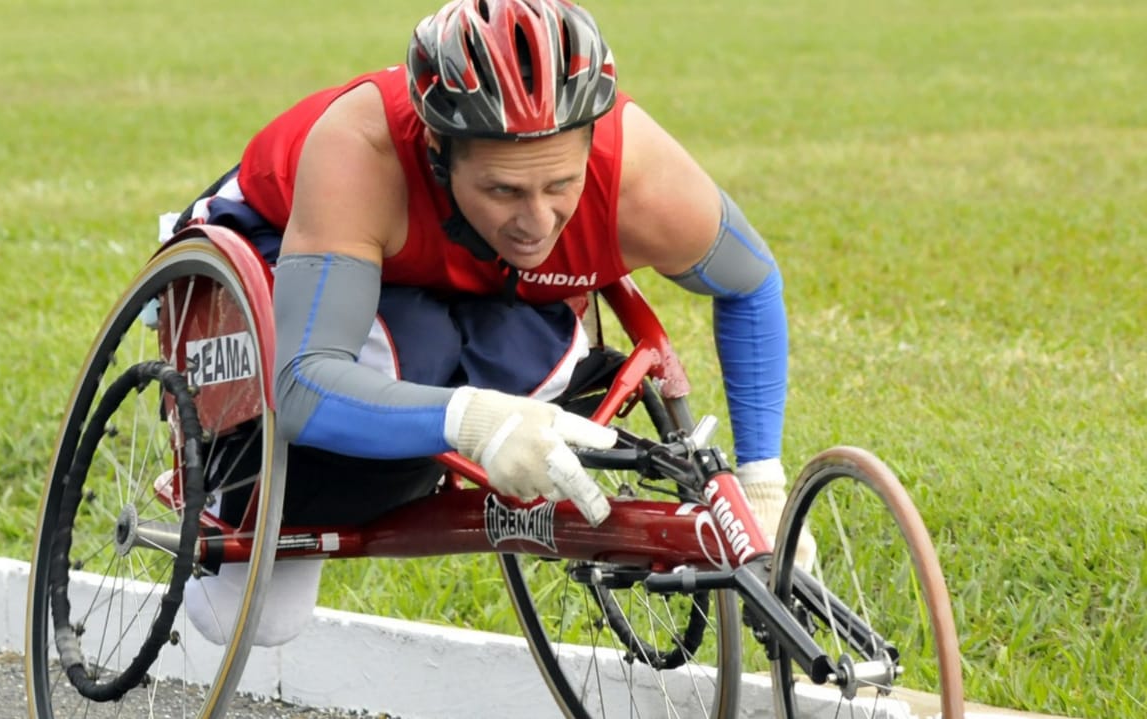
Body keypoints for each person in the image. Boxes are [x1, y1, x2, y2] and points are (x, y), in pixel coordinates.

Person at [176, 0, 809, 647]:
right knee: (252, 620)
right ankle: (263, 479)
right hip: (291, 248)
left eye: (560, 184)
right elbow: (304, 383)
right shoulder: (362, 151)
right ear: (438, 152)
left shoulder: (639, 175)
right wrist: (473, 421)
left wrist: (763, 479)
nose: (538, 219)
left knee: (547, 366)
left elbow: (751, 282)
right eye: (505, 189)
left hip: (479, 279)